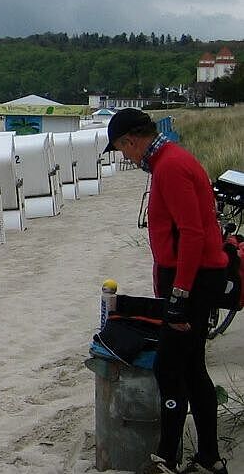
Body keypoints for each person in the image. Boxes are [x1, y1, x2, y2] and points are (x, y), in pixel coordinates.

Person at [106, 109, 229, 474]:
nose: (125, 157)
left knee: (168, 369)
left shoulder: (171, 166)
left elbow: (192, 233)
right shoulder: (170, 160)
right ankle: (209, 458)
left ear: (131, 140)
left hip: (193, 279)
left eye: (121, 150)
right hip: (193, 277)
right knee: (192, 369)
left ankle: (167, 460)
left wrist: (179, 296)